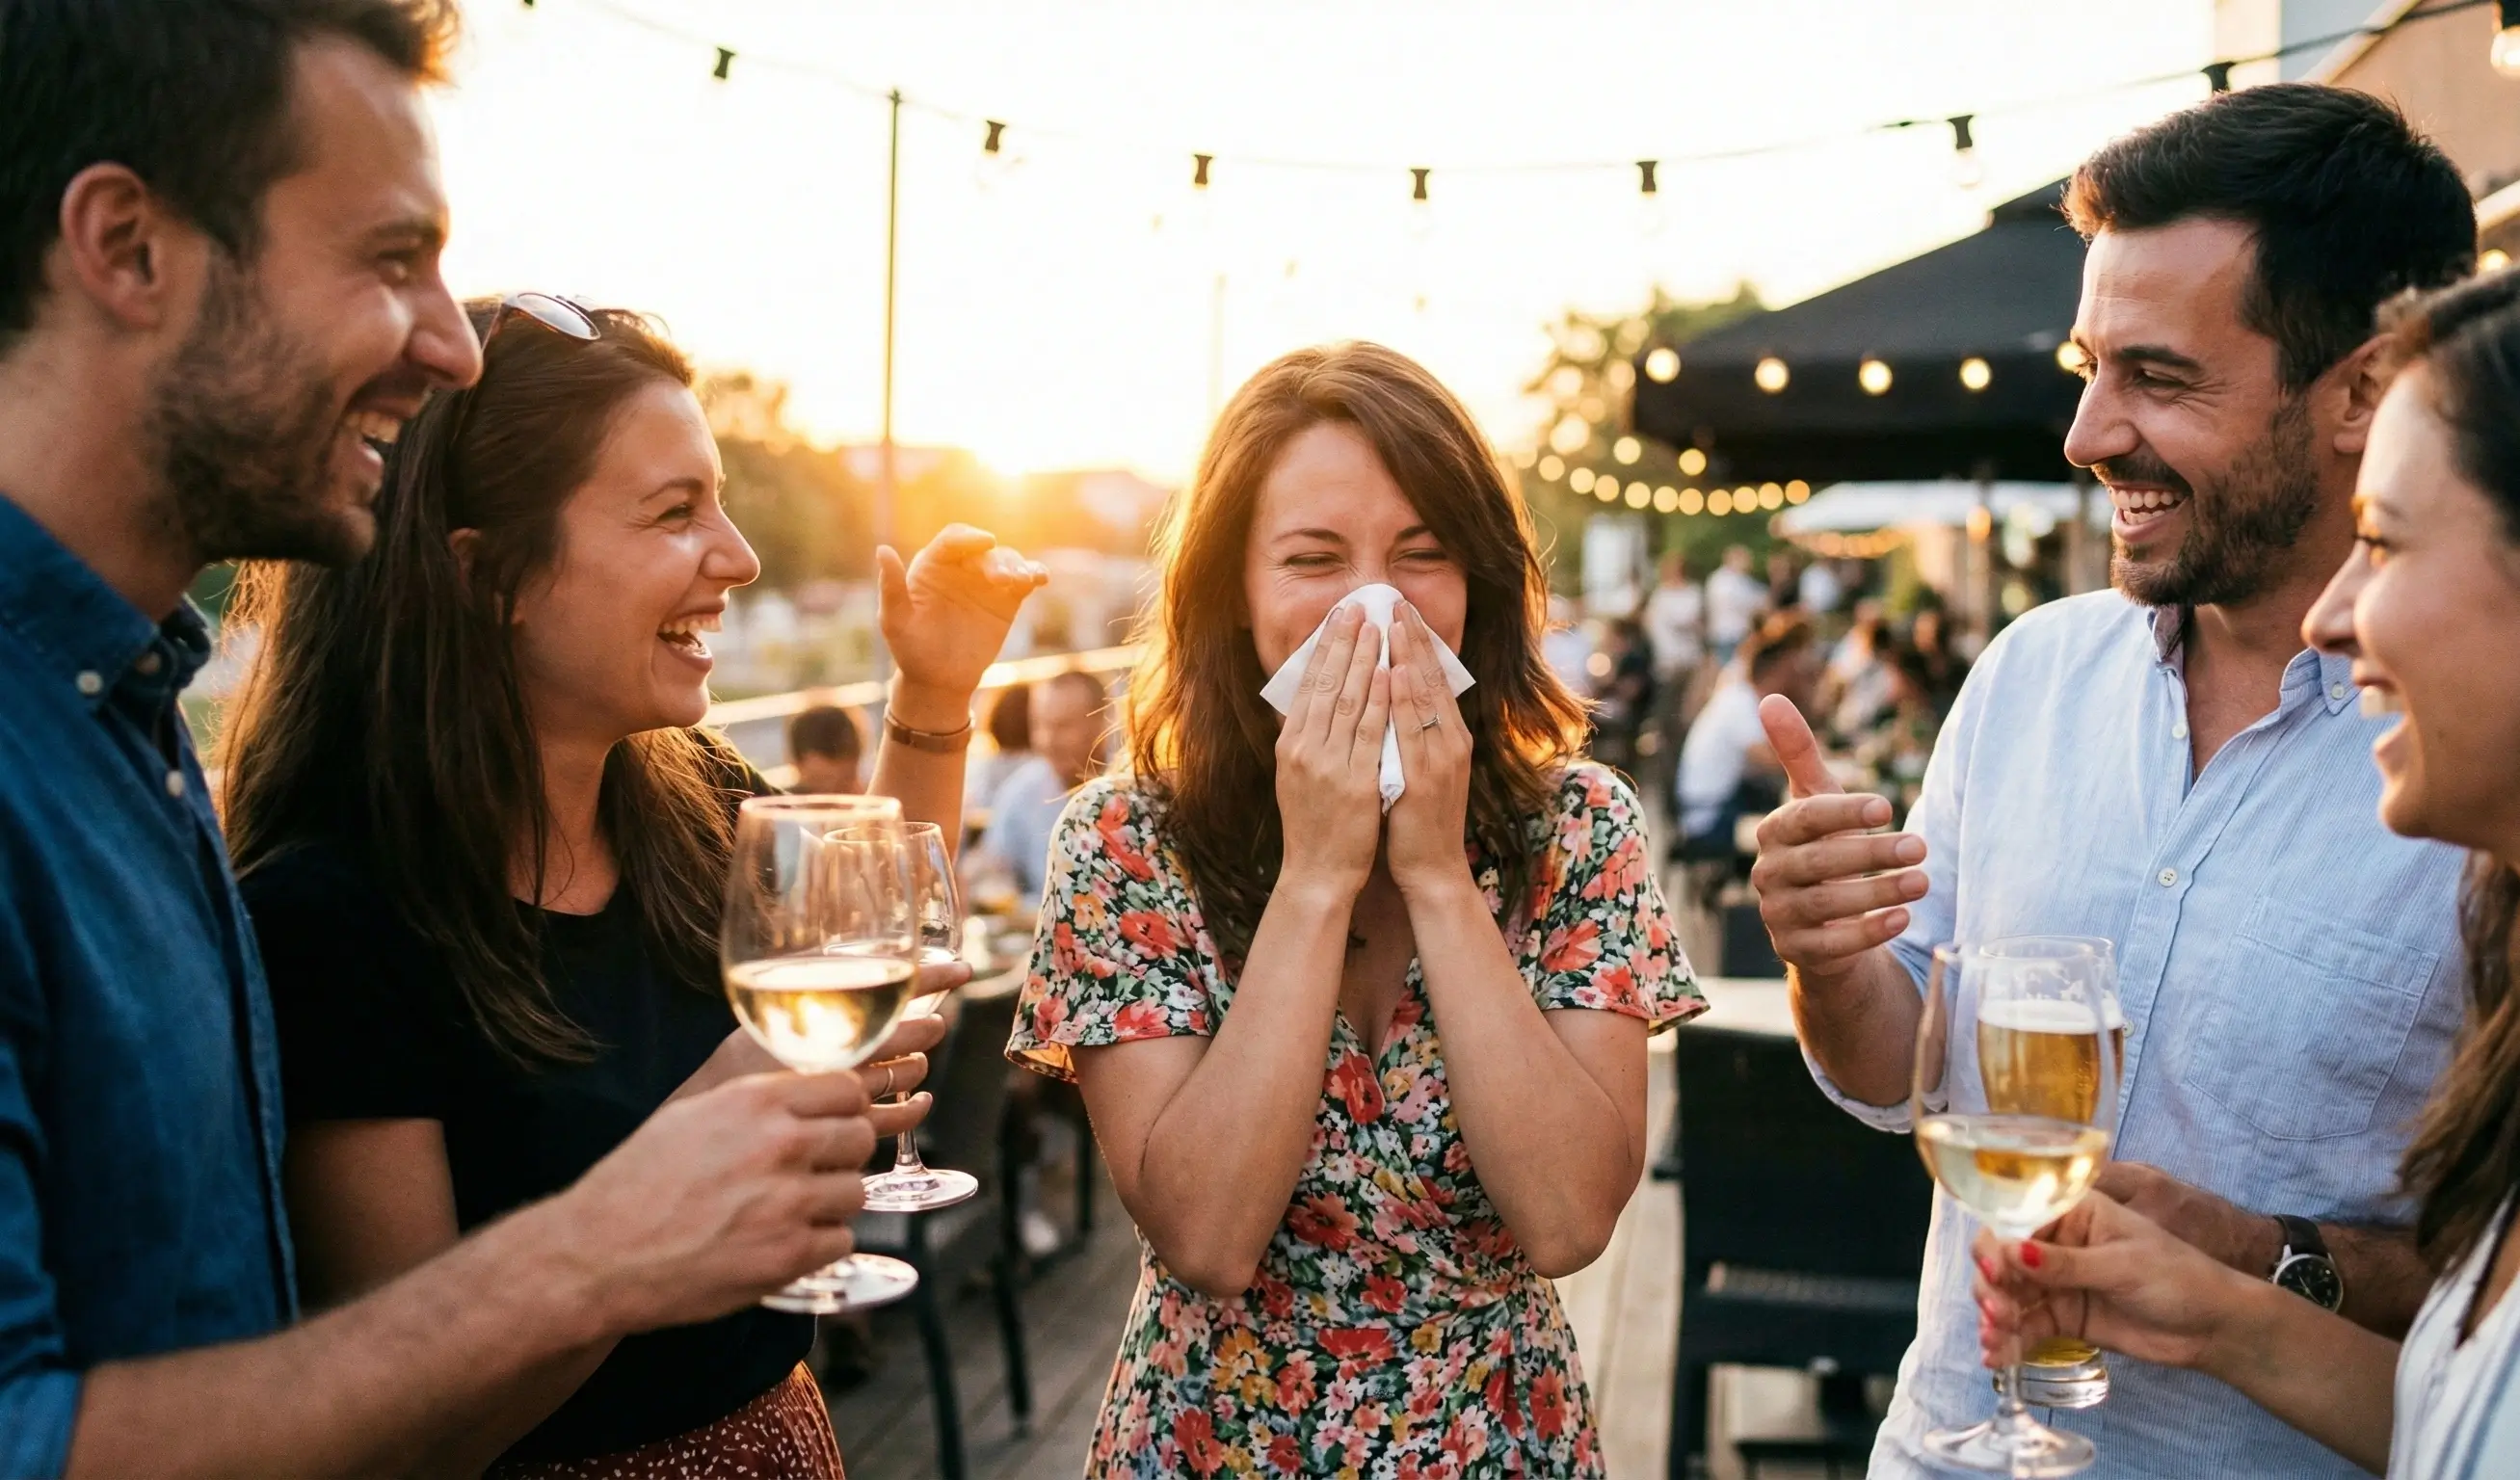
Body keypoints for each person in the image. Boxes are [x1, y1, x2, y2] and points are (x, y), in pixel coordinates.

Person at [0, 5, 903, 1474]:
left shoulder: (127, 734)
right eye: (387, 258)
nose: (447, 347)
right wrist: (605, 1246)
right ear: (127, 246)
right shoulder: (267, 863)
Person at [1749, 84, 2477, 1477]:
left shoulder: (2473, 761)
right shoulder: (2030, 672)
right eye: (2089, 367)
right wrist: (1826, 960)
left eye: (2158, 376)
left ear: (2361, 391)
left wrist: (2268, 1256)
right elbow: (1893, 1074)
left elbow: (2494, 1288)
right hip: (1946, 1451)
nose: (2084, 433)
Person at [217, 301, 1045, 1474]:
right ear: (487, 575)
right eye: (674, 511)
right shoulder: (328, 922)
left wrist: (934, 692)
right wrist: (702, 1132)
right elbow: (409, 1433)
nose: (739, 556)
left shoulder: (694, 798)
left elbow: (874, 917)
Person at [1005, 342, 1701, 1476]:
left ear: (1476, 585)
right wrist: (1316, 878)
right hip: (1211, 1443)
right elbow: (1205, 1237)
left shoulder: (1579, 828)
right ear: (1234, 592)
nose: (1373, 607)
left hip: (1495, 1437)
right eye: (1312, 559)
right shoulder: (1122, 843)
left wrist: (1435, 875)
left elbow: (1570, 1219)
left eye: (1421, 555)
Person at [1972, 268, 2520, 1480]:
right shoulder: (2032, 673)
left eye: (2384, 542)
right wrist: (2217, 1307)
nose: (2331, 617)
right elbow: (2458, 1427)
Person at [1671, 615, 1819, 859]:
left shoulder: (1739, 696)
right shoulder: (1740, 703)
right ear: (1780, 669)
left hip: (1718, 805)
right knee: (1801, 834)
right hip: (1709, 819)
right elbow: (1774, 761)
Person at [974, 668, 1107, 912]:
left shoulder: (1133, 790)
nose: (1048, 740)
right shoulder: (1021, 792)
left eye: (1063, 726)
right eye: (1040, 725)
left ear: (1101, 723)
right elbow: (992, 874)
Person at [1642, 548, 1706, 683]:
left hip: (1689, 655)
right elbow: (1649, 621)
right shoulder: (1660, 594)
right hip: (1666, 655)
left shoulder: (1693, 592)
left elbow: (1692, 618)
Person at [1704, 542, 1768, 663]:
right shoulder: (1721, 580)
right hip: (1728, 635)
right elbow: (1748, 604)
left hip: (1741, 634)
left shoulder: (1742, 579)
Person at [786, 703, 866, 794]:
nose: (832, 795)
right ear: (797, 764)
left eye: (843, 784)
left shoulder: (866, 797)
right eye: (819, 782)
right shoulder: (785, 799)